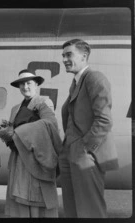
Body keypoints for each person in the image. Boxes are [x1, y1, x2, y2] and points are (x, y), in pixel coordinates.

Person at [0, 69, 62, 217]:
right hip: (18, 159)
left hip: (35, 159)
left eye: (29, 83)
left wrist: (18, 133)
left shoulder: (44, 102)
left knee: (37, 199)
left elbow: (50, 124)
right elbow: (13, 136)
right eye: (21, 84)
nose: (25, 87)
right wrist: (5, 132)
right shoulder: (15, 109)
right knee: (19, 200)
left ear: (36, 84)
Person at [59, 39, 119, 218]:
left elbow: (104, 120)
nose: (64, 59)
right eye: (63, 55)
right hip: (71, 154)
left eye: (69, 54)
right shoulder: (76, 82)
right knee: (73, 210)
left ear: (84, 56)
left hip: (85, 156)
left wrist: (84, 149)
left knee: (90, 212)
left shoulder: (94, 78)